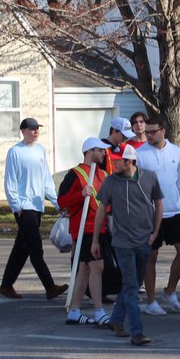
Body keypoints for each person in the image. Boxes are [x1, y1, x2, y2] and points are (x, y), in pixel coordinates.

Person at [92, 143, 162, 346]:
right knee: (131, 285)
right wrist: (95, 240)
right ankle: (137, 332)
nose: (113, 163)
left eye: (117, 160)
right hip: (122, 242)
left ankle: (115, 320)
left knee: (131, 284)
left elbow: (159, 203)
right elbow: (101, 211)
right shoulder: (110, 182)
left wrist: (155, 233)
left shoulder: (149, 177)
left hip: (144, 241)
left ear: (129, 161)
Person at [0, 118, 68, 300]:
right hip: (24, 206)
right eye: (31, 129)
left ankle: (6, 285)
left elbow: (46, 180)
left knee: (22, 248)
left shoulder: (40, 150)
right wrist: (16, 206)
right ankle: (50, 286)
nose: (35, 132)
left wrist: (57, 203)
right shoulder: (15, 152)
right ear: (23, 131)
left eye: (37, 129)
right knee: (35, 249)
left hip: (36, 206)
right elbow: (10, 181)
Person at [136, 115, 180, 315]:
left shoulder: (175, 151)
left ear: (163, 131)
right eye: (147, 132)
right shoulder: (140, 154)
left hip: (174, 210)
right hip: (150, 214)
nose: (149, 135)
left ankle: (170, 291)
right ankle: (151, 301)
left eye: (153, 132)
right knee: (150, 256)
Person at [59, 137, 112, 327]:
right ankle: (98, 310)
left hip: (101, 227)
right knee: (96, 267)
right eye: (100, 150)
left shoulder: (103, 174)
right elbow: (62, 201)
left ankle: (74, 310)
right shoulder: (75, 174)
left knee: (85, 269)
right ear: (90, 152)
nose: (103, 154)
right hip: (84, 229)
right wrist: (80, 195)